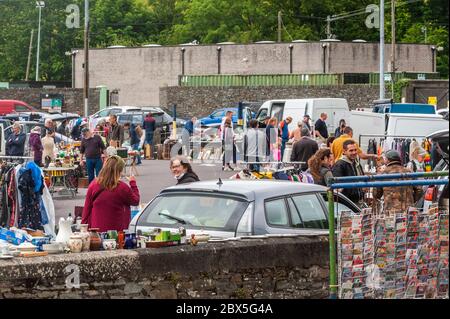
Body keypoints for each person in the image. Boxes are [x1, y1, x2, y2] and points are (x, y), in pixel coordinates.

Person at [82, 155, 140, 232]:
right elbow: (136, 201)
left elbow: (87, 209)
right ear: (119, 171)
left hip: (96, 231)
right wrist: (133, 183)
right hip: (116, 232)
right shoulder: (122, 187)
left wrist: (84, 228)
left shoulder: (93, 185)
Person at [332, 139, 365, 205]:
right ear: (344, 151)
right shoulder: (339, 165)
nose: (354, 152)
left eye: (355, 150)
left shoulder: (356, 163)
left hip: (358, 201)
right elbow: (338, 187)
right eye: (351, 150)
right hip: (347, 203)